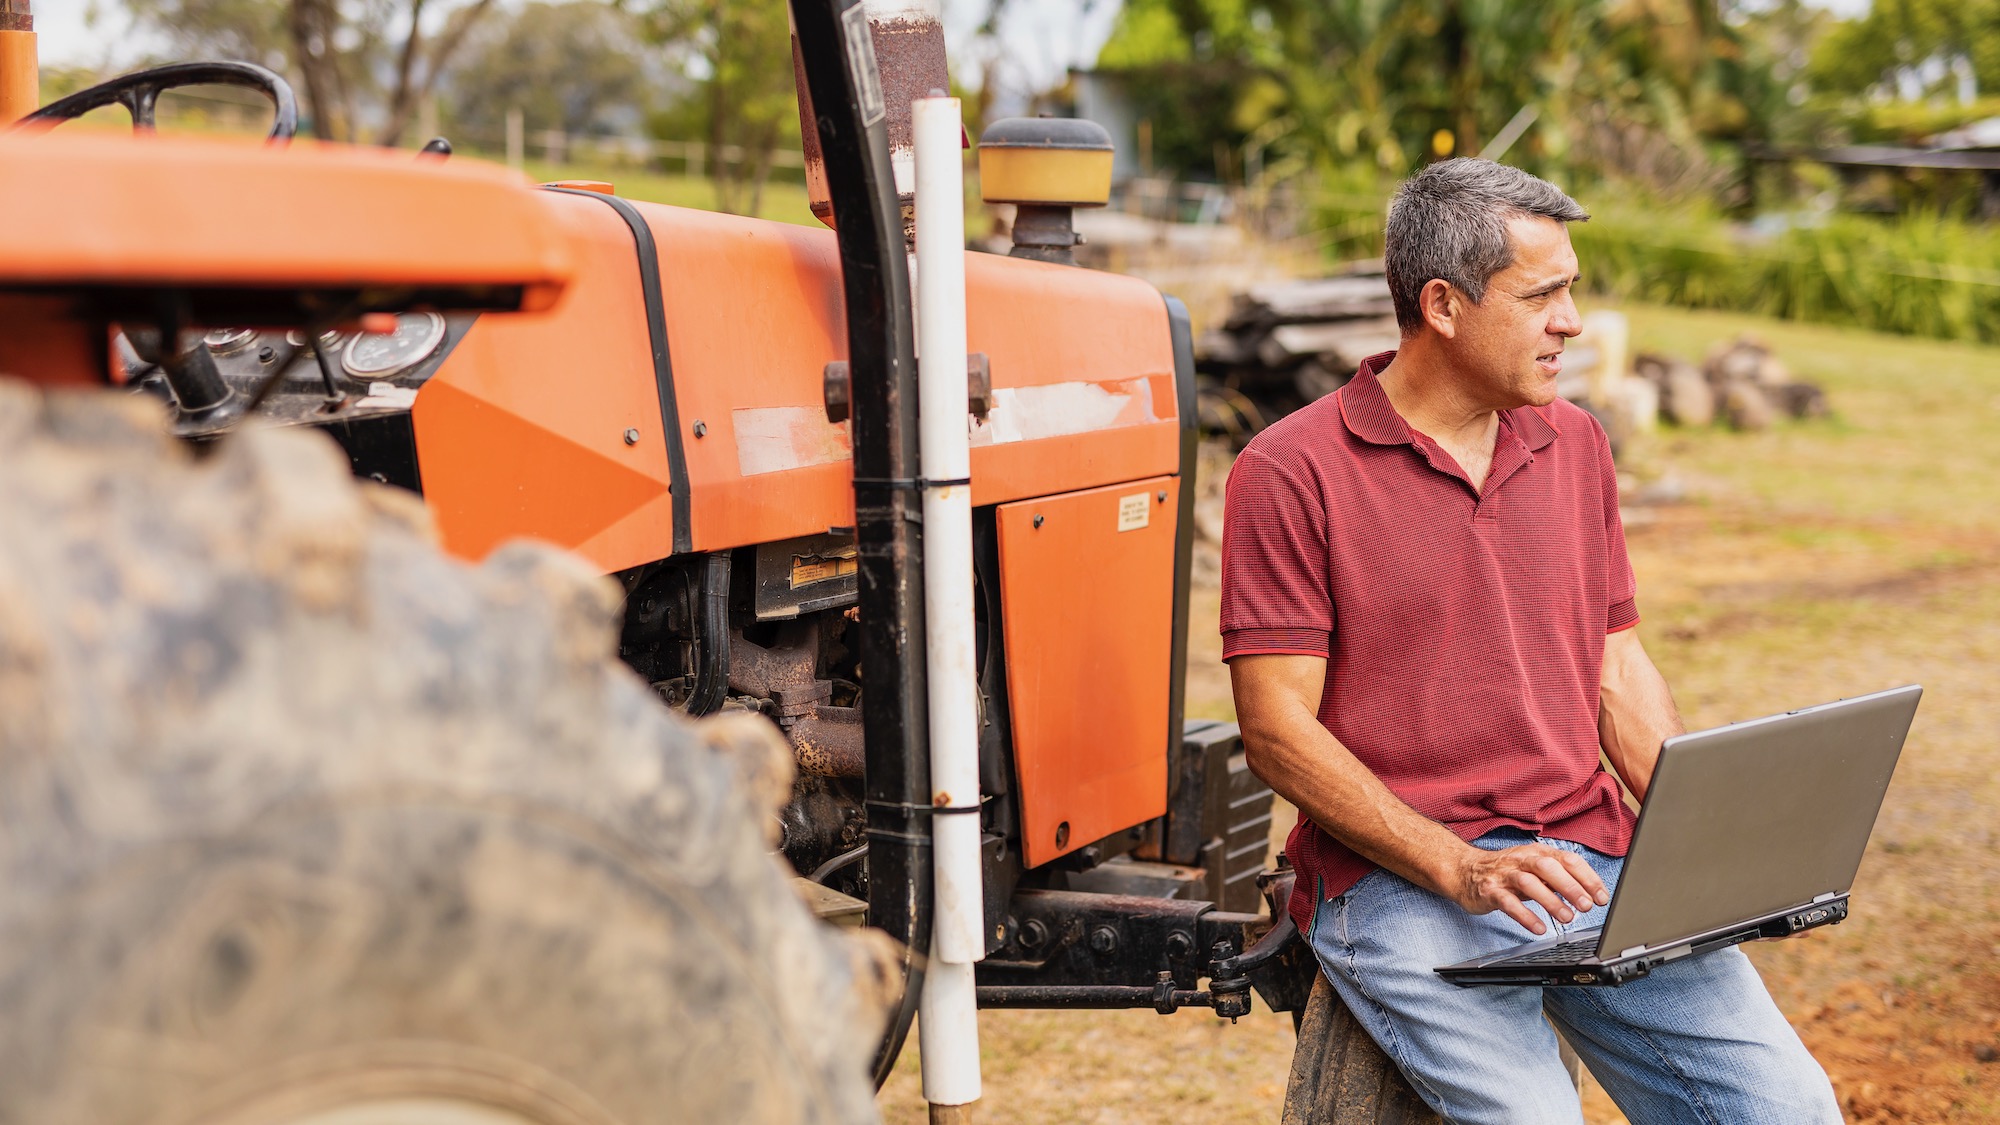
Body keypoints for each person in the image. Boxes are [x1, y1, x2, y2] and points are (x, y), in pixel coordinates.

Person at [1221, 158, 1840, 1124]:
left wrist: (1698, 845)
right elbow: (1273, 726)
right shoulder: (1289, 470)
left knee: (1790, 1108)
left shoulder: (1578, 444)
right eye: (1543, 294)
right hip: (1398, 882)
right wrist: (1457, 865)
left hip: (1587, 858)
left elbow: (1616, 666)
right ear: (1443, 305)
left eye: (1573, 290)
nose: (1574, 322)